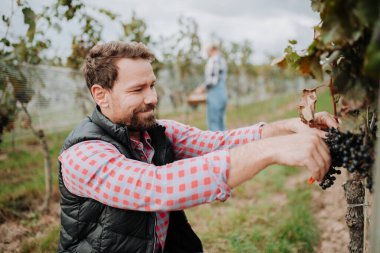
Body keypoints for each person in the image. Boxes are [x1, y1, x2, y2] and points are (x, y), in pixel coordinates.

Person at [58, 41, 338, 253]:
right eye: (137, 90)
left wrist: (292, 127)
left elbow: (219, 143)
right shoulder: (83, 155)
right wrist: (273, 150)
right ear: (101, 95)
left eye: (152, 85)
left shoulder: (156, 132)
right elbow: (159, 186)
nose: (152, 97)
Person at [196, 44, 228, 131]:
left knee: (213, 123)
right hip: (222, 93)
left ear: (212, 49)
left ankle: (216, 144)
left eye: (207, 50)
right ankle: (225, 144)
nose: (206, 53)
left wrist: (202, 88)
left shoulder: (214, 61)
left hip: (215, 94)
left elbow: (213, 80)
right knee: (221, 122)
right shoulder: (222, 60)